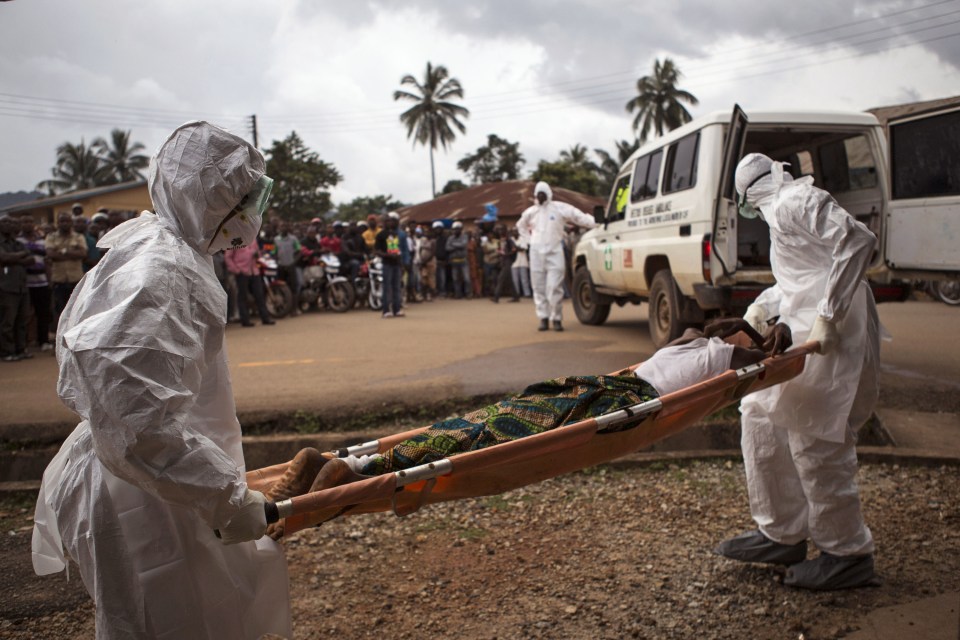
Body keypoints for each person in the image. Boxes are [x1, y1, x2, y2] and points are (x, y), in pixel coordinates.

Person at [31, 121, 291, 639]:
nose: (248, 216)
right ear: (206, 198)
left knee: (208, 614)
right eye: (239, 199)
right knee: (165, 621)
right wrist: (224, 497)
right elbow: (136, 421)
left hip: (163, 480)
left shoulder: (170, 251)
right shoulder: (159, 271)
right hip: (139, 493)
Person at [262, 318, 782, 527]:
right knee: (487, 439)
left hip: (588, 387)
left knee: (481, 423)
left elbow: (733, 330)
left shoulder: (690, 342)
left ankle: (348, 461)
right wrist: (767, 340)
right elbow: (768, 353)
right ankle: (358, 473)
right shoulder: (722, 360)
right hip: (611, 403)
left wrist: (748, 333)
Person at [713, 153, 881, 591]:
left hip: (832, 332)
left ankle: (847, 553)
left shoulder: (794, 201)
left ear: (750, 194)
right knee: (760, 414)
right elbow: (801, 278)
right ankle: (781, 531)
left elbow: (859, 241)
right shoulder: (781, 214)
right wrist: (761, 308)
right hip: (809, 324)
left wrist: (828, 313)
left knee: (816, 436)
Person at [517, 181, 597, 332]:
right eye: (538, 194)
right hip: (536, 253)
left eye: (543, 194)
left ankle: (557, 318)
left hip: (554, 252)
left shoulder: (559, 208)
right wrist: (528, 241)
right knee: (538, 287)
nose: (540, 197)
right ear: (535, 195)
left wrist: (596, 222)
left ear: (548, 194)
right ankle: (543, 318)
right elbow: (520, 226)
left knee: (554, 287)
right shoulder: (531, 212)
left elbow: (578, 217)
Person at [42, 212, 88, 324]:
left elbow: (83, 254)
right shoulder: (51, 237)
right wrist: (73, 253)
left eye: (67, 221)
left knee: (77, 311)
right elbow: (51, 254)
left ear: (71, 222)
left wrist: (63, 251)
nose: (65, 223)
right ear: (58, 223)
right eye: (62, 221)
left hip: (76, 280)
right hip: (59, 280)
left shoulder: (78, 237)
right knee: (61, 311)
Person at [0, 214, 33, 361]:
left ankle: (21, 349)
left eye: (11, 222)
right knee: (7, 322)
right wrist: (20, 257)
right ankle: (7, 351)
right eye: (5, 222)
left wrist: (13, 258)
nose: (9, 225)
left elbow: (30, 259)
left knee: (22, 320)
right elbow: (4, 258)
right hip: (6, 287)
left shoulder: (17, 243)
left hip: (21, 287)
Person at [17, 215, 52, 352]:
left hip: (41, 282)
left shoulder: (42, 240)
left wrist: (49, 280)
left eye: (30, 221)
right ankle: (24, 342)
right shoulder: (17, 241)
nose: (27, 224)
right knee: (24, 314)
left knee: (43, 313)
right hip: (25, 284)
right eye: (24, 221)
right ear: (21, 224)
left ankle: (43, 340)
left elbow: (47, 261)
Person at [225, 242, 276, 328]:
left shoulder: (253, 239)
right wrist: (236, 269)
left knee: (260, 295)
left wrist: (257, 255)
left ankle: (265, 318)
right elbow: (227, 257)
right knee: (242, 296)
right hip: (242, 272)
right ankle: (245, 320)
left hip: (254, 271)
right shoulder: (234, 240)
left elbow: (258, 254)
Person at [375, 212, 406, 318]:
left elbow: (395, 248)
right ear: (384, 223)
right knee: (387, 287)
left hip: (396, 263)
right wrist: (387, 255)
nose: (390, 223)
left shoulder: (395, 234)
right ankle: (386, 310)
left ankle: (397, 309)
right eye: (388, 221)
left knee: (397, 287)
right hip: (387, 263)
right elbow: (377, 251)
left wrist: (398, 256)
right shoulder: (381, 235)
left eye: (392, 221)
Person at [274, 220, 301, 316]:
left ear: (288, 228)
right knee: (281, 288)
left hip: (291, 266)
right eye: (282, 226)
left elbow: (299, 251)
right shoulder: (276, 239)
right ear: (279, 228)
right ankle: (284, 309)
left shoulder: (293, 239)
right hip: (281, 267)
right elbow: (274, 253)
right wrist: (277, 262)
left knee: (294, 288)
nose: (283, 228)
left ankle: (294, 309)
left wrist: (293, 263)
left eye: (285, 226)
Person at [492, 224, 519, 303]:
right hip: (503, 261)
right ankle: (516, 296)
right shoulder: (501, 240)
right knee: (509, 280)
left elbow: (514, 249)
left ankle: (496, 297)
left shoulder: (509, 240)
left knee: (500, 279)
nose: (500, 232)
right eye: (499, 230)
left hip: (508, 261)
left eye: (501, 230)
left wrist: (506, 254)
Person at [446, 221, 470, 299]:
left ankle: (468, 293)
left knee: (466, 278)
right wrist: (458, 246)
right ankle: (457, 294)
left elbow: (463, 245)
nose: (456, 231)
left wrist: (453, 245)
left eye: (457, 229)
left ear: (461, 229)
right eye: (454, 229)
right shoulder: (450, 238)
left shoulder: (464, 236)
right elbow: (447, 248)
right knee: (455, 279)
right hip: (454, 261)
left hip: (463, 260)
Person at [511, 227, 532, 298]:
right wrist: (517, 248)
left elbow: (524, 249)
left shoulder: (523, 239)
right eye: (513, 232)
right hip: (514, 262)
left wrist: (516, 248)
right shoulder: (511, 240)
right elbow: (511, 249)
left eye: (516, 231)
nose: (515, 233)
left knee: (524, 279)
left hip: (523, 261)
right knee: (515, 279)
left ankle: (527, 293)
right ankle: (516, 294)